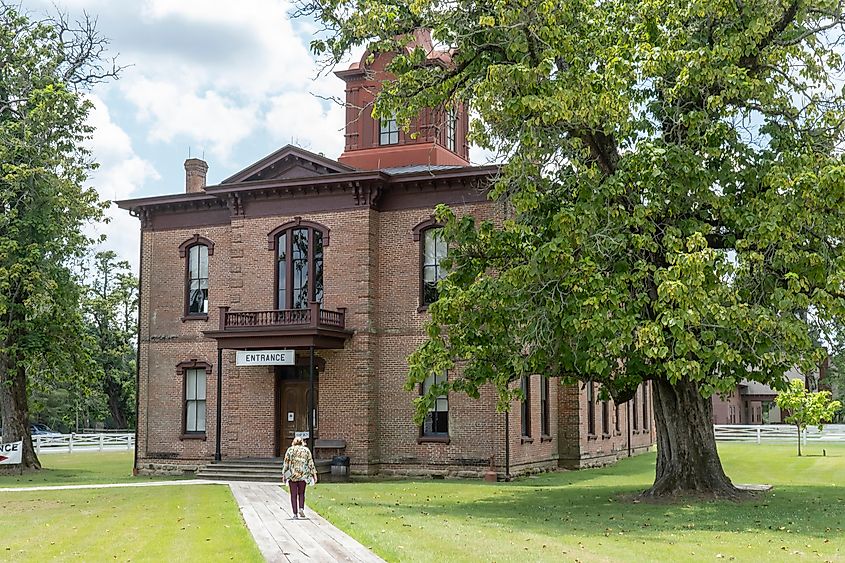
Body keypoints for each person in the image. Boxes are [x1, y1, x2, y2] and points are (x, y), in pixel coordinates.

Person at [281, 436, 318, 519]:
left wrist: (284, 475)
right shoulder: (306, 450)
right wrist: (314, 474)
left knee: (293, 495)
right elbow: (310, 463)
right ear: (302, 442)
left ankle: (295, 514)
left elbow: (286, 463)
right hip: (303, 475)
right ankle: (301, 508)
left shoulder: (290, 450)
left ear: (294, 442)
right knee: (301, 493)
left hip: (292, 475)